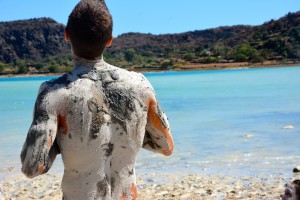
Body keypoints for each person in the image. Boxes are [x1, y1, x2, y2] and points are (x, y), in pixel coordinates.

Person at [20, 0, 174, 199]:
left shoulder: (54, 93)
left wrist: (59, 143)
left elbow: (32, 166)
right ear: (109, 39)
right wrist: (130, 131)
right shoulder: (140, 85)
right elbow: (166, 147)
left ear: (67, 35)